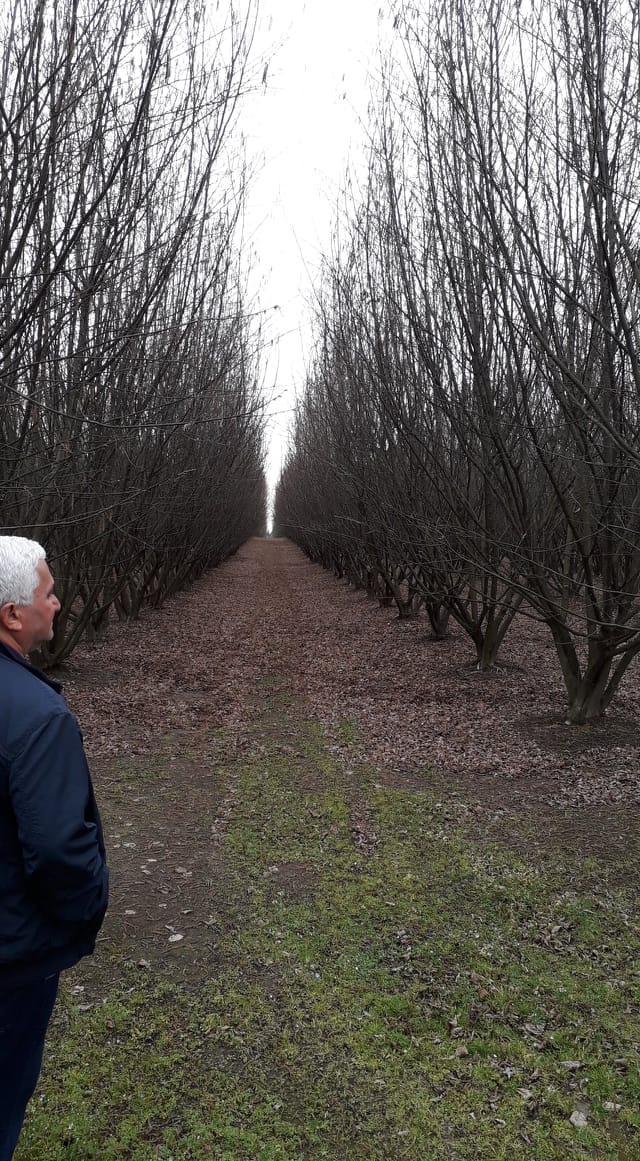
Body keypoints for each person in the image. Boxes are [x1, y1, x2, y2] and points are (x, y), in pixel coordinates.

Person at [0, 536, 108, 1160]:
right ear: (13, 614)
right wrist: (86, 908)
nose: (59, 603)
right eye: (48, 593)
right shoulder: (38, 718)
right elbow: (61, 853)